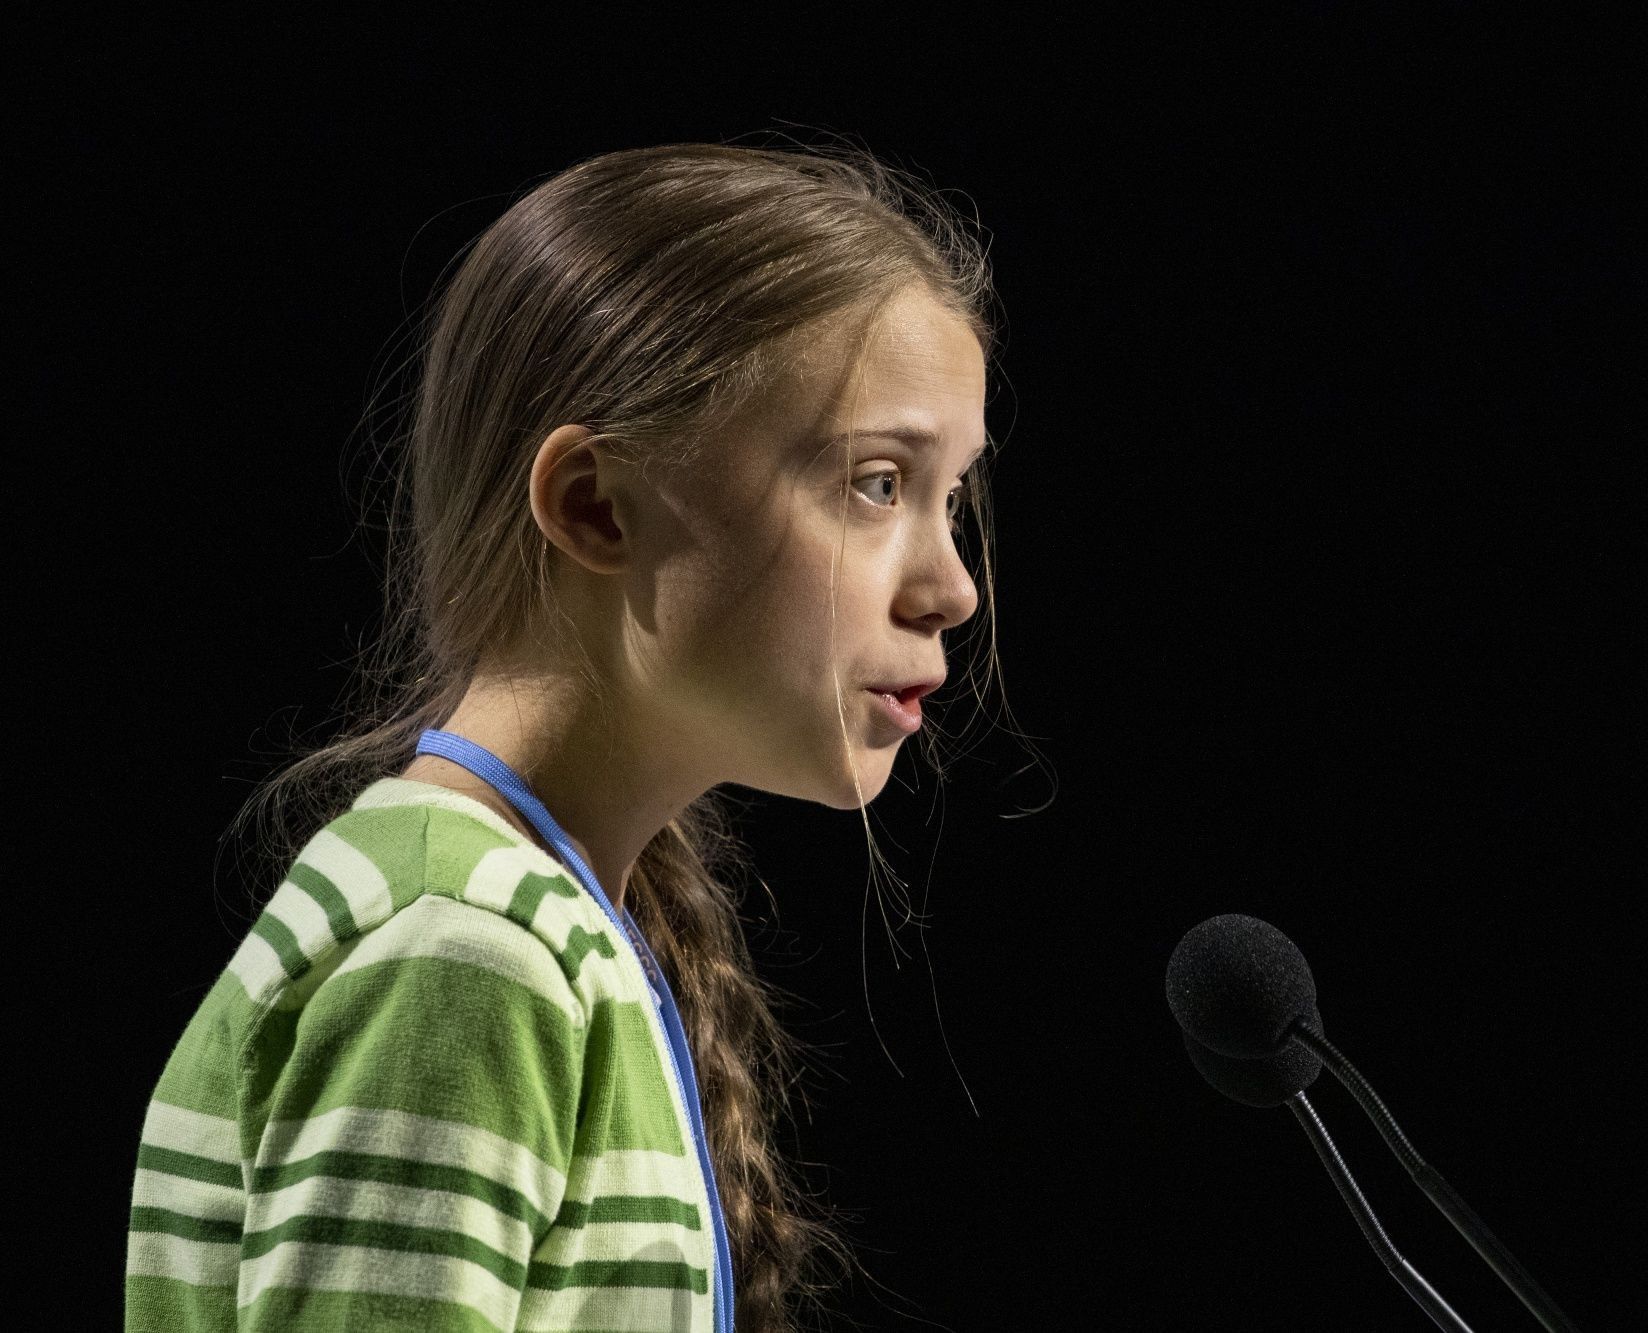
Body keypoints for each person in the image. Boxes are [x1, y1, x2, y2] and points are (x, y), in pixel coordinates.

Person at [124, 140, 1016, 1332]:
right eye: (873, 482)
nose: (952, 586)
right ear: (596, 504)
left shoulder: (536, 927)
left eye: (948, 494)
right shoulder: (461, 951)